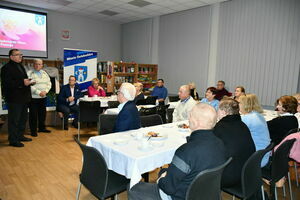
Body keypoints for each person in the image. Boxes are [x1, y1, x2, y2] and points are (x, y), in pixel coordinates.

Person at [128, 103, 228, 200]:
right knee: (164, 172)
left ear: (197, 122)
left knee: (132, 188)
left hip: (181, 196)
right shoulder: (220, 143)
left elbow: (168, 188)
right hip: (206, 194)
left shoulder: (186, 151)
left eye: (191, 115)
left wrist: (160, 179)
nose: (188, 119)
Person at [214, 99, 255, 187]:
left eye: (218, 109)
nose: (216, 112)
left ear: (224, 112)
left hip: (229, 177)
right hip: (247, 173)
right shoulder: (242, 125)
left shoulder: (220, 128)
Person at [0, 49, 32, 147]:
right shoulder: (6, 68)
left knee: (23, 118)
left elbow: (21, 80)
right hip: (14, 99)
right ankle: (13, 140)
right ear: (11, 57)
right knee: (14, 120)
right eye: (17, 55)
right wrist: (23, 83)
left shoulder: (21, 66)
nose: (20, 56)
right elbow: (7, 84)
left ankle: (20, 136)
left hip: (23, 98)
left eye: (21, 54)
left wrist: (28, 81)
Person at [239, 94, 271, 167]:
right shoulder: (258, 115)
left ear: (246, 104)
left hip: (255, 158)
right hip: (262, 155)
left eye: (240, 103)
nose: (238, 105)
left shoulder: (247, 118)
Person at [27, 59, 52, 137]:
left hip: (43, 97)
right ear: (33, 65)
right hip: (34, 98)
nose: (38, 66)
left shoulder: (44, 73)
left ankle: (42, 128)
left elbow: (49, 83)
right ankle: (33, 131)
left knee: (42, 114)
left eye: (39, 64)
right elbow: (29, 85)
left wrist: (46, 91)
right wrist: (38, 92)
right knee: (33, 115)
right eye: (36, 64)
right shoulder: (29, 73)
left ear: (42, 65)